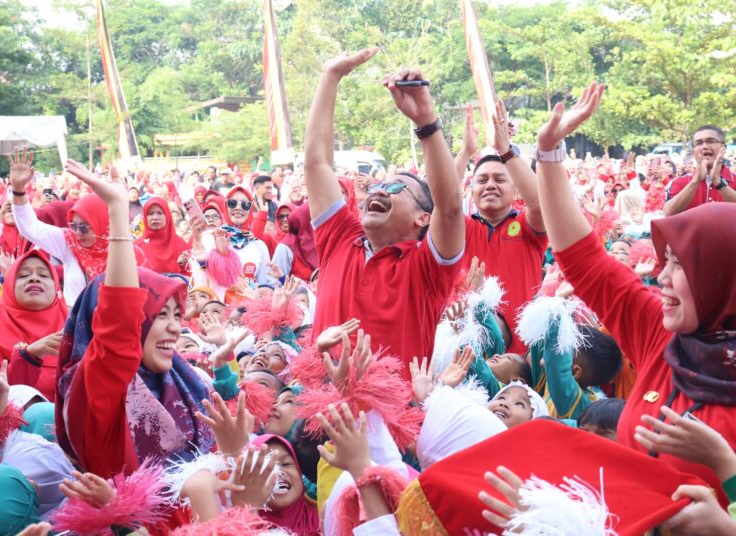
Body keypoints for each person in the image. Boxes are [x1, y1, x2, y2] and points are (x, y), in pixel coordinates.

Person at [535, 81, 736, 498]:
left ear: (723, 275)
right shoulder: (660, 337)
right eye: (666, 263)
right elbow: (585, 261)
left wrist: (727, 474)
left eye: (682, 266)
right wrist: (550, 154)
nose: (661, 278)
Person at [305, 49, 464, 377]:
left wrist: (426, 123)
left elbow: (449, 208)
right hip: (317, 411)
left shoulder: (427, 268)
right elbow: (316, 162)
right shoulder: (340, 238)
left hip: (387, 421)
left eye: (395, 188)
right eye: (378, 186)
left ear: (422, 218)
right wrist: (330, 76)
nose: (378, 190)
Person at [54, 163, 214, 481]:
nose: (174, 327)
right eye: (157, 315)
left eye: (176, 315)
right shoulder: (96, 389)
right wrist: (117, 211)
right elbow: (119, 329)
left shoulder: (185, 384)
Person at [461, 101, 547, 354]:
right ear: (471, 190)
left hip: (522, 355)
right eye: (482, 180)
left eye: (500, 179)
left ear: (516, 189)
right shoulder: (461, 228)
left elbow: (540, 203)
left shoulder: (526, 226)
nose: (490, 185)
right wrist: (465, 152)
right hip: (467, 349)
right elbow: (444, 204)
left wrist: (507, 150)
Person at [10, 153, 148, 306]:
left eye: (83, 227)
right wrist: (18, 190)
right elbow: (30, 227)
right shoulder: (70, 243)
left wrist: (117, 203)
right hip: (74, 327)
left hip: (114, 326)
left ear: (104, 223)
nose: (77, 233)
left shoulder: (127, 251)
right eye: (74, 226)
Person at [0, 250, 67, 401]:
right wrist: (29, 357)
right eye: (23, 275)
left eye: (43, 275)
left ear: (57, 288)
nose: (34, 279)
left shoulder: (77, 328)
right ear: (9, 287)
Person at [664, 125, 736, 216]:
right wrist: (695, 181)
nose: (704, 146)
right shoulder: (679, 182)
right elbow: (668, 214)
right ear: (694, 150)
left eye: (711, 141)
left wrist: (718, 183)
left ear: (723, 147)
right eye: (699, 143)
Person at [134, 197, 190, 275]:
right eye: (150, 214)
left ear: (167, 215)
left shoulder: (181, 245)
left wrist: (183, 267)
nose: (155, 218)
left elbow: (191, 277)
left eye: (160, 213)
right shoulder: (137, 247)